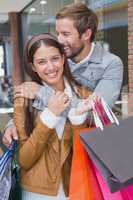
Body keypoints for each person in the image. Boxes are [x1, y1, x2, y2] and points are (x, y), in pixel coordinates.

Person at [3, 3, 123, 146]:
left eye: (65, 34)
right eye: (58, 33)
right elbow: (31, 99)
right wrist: (12, 124)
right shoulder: (58, 58)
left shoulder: (111, 64)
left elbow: (96, 114)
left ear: (86, 34)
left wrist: (41, 92)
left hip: (89, 147)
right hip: (52, 147)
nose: (59, 40)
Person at [13, 33, 94, 200]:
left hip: (78, 187)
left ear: (63, 58)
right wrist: (50, 116)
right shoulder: (24, 98)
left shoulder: (83, 94)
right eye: (41, 62)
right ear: (33, 67)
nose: (50, 67)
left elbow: (90, 152)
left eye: (55, 58)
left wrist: (78, 120)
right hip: (39, 192)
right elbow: (25, 160)